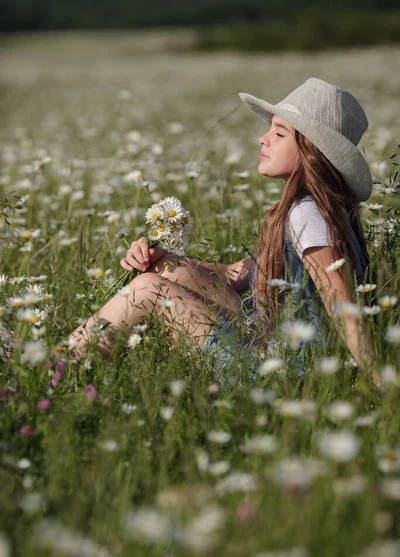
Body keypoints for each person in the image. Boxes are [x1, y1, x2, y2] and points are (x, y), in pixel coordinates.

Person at [67, 78, 380, 385]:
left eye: (279, 133)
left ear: (311, 151)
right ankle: (72, 362)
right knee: (162, 271)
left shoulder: (307, 214)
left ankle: (61, 369)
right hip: (275, 347)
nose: (263, 138)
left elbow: (343, 307)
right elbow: (235, 275)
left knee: (148, 289)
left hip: (286, 372)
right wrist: (164, 257)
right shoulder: (314, 208)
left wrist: (379, 385)